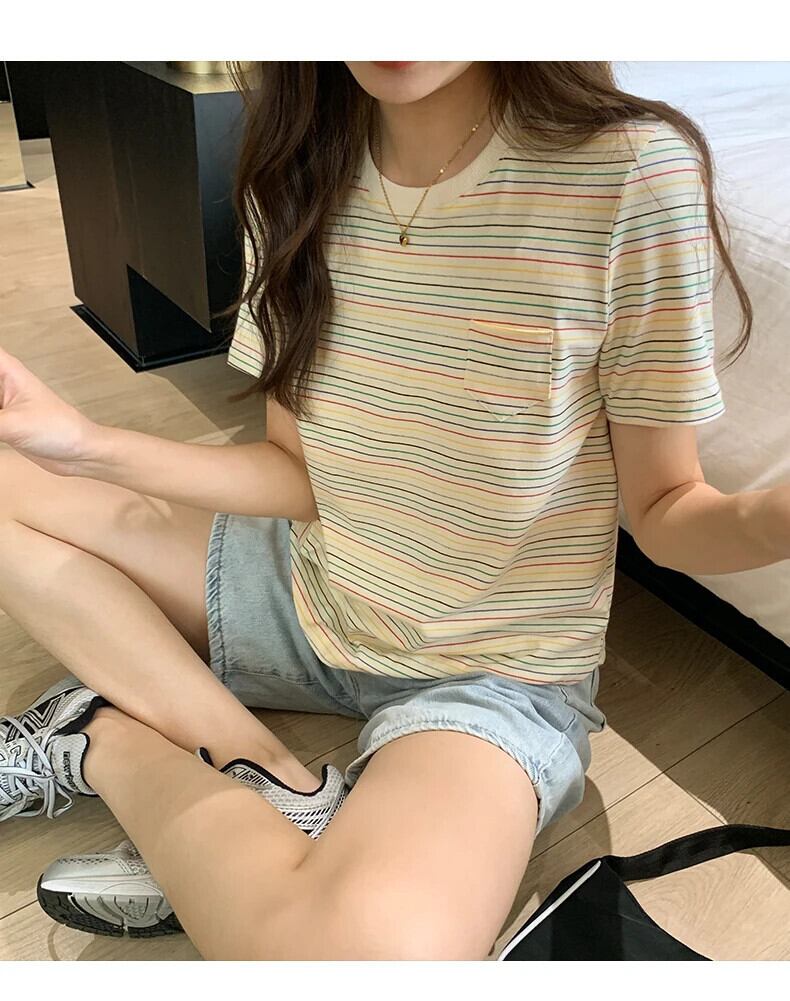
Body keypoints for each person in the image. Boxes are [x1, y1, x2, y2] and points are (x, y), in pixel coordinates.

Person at [0, 61, 787, 961]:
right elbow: (295, 473)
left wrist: (773, 518)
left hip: (493, 675)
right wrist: (83, 444)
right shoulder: (295, 172)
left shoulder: (633, 175)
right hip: (308, 586)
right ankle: (267, 773)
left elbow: (666, 507)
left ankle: (101, 736)